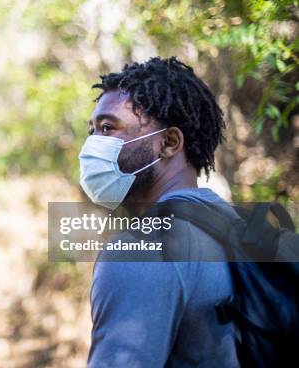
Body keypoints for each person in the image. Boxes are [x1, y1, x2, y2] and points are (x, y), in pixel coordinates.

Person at [80, 57, 240, 367]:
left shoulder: (142, 250)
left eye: (108, 128)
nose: (91, 147)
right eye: (92, 131)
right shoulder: (237, 228)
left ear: (168, 143)